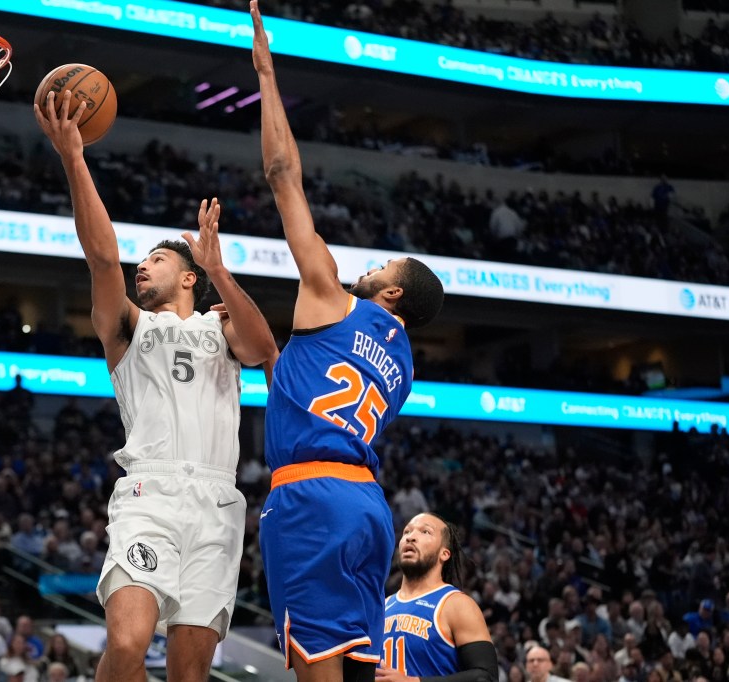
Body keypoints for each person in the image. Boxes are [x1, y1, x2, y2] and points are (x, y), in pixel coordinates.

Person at [34, 77, 277, 682]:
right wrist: (73, 157)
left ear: (192, 276)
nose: (143, 265)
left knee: (189, 674)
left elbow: (265, 348)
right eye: (141, 261)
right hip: (151, 496)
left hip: (219, 504)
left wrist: (221, 268)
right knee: (127, 641)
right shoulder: (126, 326)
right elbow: (100, 255)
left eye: (159, 259)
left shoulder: (223, 326)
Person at [251, 2, 444, 679]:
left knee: (317, 671)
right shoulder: (404, 364)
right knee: (361, 670)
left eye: (382, 267)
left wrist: (267, 78)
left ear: (391, 293)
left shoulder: (332, 295)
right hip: (369, 509)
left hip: (314, 501)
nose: (370, 264)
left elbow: (282, 177)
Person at [376, 514, 496, 682]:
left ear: (444, 554)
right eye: (407, 532)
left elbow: (486, 677)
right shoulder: (382, 607)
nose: (411, 537)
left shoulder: (456, 604)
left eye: (425, 532)